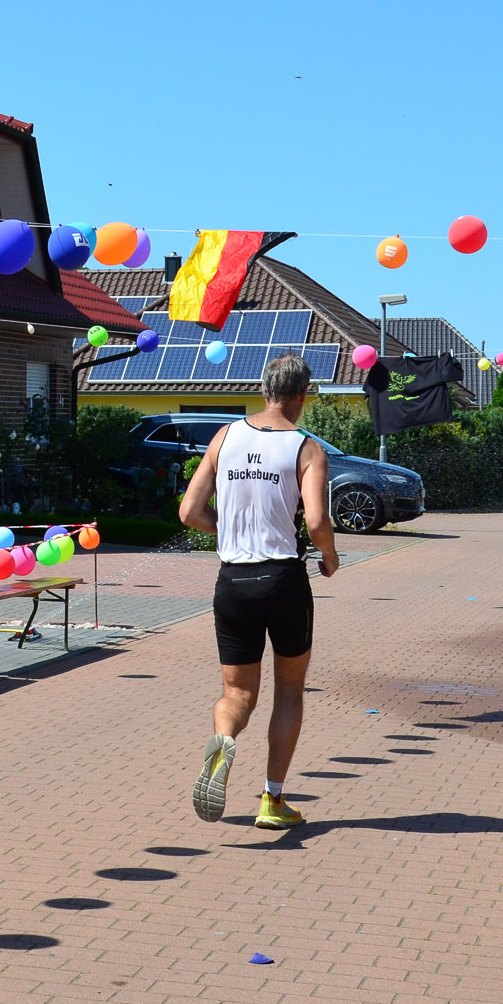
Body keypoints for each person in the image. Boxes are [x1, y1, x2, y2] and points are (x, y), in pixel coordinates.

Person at [177, 351, 338, 831]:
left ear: (265, 389)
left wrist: (228, 530)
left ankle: (224, 740)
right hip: (283, 580)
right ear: (302, 395)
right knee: (289, 689)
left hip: (233, 582)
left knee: (237, 692)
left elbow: (188, 512)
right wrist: (330, 557)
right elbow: (316, 521)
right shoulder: (307, 449)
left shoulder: (224, 437)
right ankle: (272, 799)